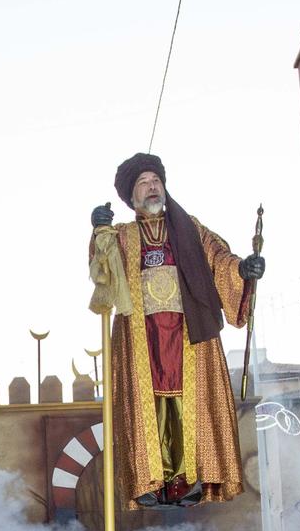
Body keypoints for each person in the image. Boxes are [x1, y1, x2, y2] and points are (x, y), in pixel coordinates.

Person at [89, 153, 263, 507]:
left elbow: (218, 259)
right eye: (144, 183)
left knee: (187, 404)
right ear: (131, 198)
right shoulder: (121, 236)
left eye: (156, 181)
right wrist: (98, 231)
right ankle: (150, 481)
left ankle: (189, 481)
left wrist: (243, 270)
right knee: (148, 408)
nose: (152, 187)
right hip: (140, 336)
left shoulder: (189, 228)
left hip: (188, 333)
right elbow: (102, 273)